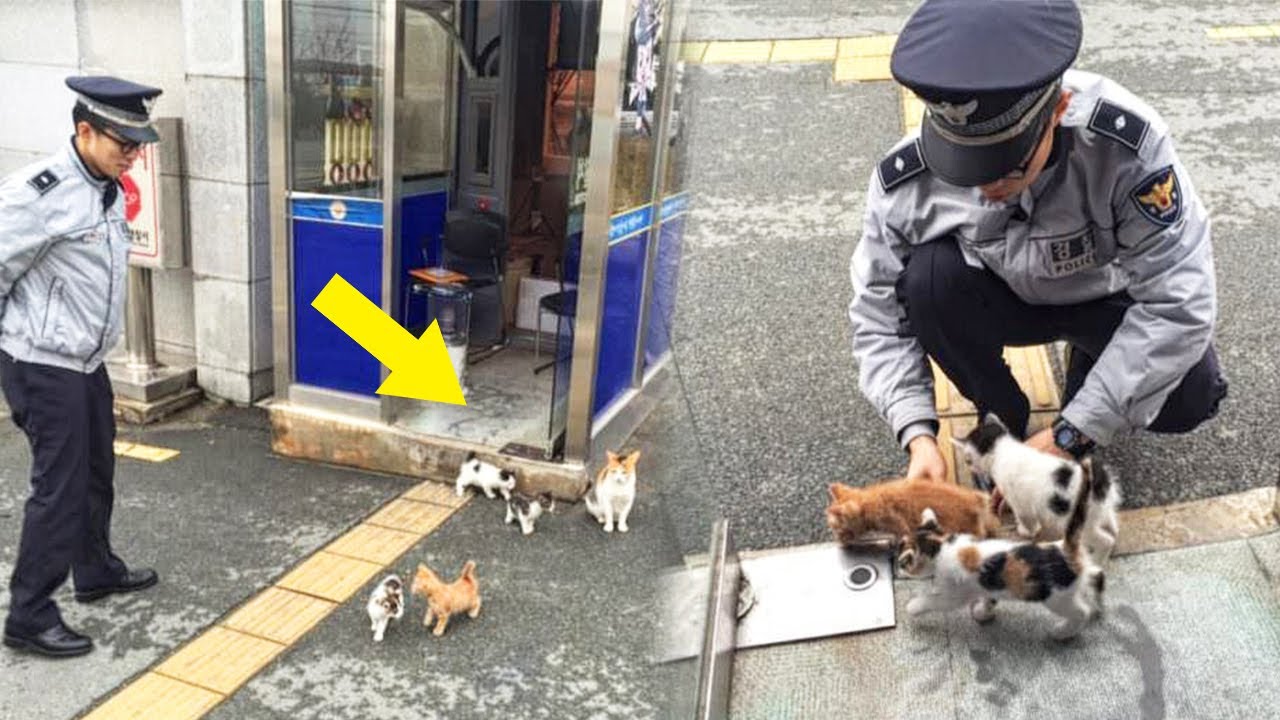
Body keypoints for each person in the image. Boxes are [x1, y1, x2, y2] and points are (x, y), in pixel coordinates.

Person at [849, 0, 1228, 483]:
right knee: (924, 283)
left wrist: (1073, 432)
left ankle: (1090, 369)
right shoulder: (907, 176)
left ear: (1058, 111)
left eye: (1007, 166)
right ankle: (1000, 408)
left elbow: (1180, 304)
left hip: (1105, 297)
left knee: (1190, 392)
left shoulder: (1125, 148)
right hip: (999, 296)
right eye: (963, 168)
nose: (985, 187)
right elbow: (878, 317)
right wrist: (917, 433)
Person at [0, 76, 163, 658]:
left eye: (138, 141)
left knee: (96, 471)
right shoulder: (37, 194)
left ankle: (94, 570)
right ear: (84, 130)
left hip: (85, 361)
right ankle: (29, 615)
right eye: (123, 140)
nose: (133, 152)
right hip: (43, 363)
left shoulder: (106, 187)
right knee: (59, 488)